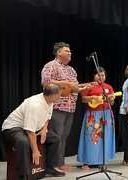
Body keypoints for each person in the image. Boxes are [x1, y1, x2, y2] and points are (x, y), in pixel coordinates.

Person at [41, 42, 91, 171]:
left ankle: (60, 162)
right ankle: (52, 165)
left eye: (70, 51)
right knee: (56, 136)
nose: (70, 53)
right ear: (59, 52)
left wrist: (84, 88)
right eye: (67, 51)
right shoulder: (50, 66)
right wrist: (65, 82)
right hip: (57, 106)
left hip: (70, 108)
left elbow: (73, 89)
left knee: (63, 137)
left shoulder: (71, 70)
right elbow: (46, 83)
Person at [1, 84, 66, 179]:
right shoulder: (34, 105)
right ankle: (22, 175)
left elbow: (47, 118)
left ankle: (50, 168)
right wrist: (35, 151)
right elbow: (30, 131)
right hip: (14, 127)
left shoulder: (49, 101)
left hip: (34, 127)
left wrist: (44, 130)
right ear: (52, 96)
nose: (60, 97)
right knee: (23, 142)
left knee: (55, 139)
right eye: (59, 95)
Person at [77, 67, 117, 170]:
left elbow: (111, 103)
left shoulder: (108, 87)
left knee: (104, 138)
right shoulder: (90, 86)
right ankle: (87, 161)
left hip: (106, 114)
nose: (101, 77)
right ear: (94, 76)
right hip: (93, 115)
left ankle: (101, 160)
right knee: (91, 138)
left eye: (103, 75)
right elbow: (83, 99)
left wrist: (111, 99)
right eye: (98, 75)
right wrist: (93, 98)